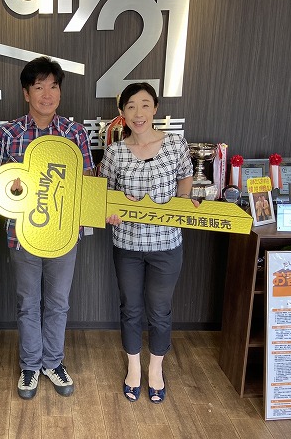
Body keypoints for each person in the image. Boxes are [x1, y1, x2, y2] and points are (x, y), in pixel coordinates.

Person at [0, 56, 94, 400]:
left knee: (59, 302)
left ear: (60, 91)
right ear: (26, 93)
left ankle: (53, 362)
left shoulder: (75, 133)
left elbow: (87, 181)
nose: (47, 94)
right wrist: (14, 188)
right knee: (27, 302)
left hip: (64, 234)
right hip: (23, 235)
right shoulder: (7, 133)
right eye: (39, 87)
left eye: (53, 86)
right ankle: (31, 365)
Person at [98, 82, 195, 404]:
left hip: (167, 244)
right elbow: (104, 193)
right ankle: (133, 368)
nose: (138, 113)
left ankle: (155, 369)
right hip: (127, 245)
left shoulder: (175, 144)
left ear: (155, 108)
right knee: (130, 308)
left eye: (144, 105)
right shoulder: (114, 152)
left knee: (160, 309)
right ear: (122, 113)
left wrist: (183, 200)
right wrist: (111, 210)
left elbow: (185, 176)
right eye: (130, 106)